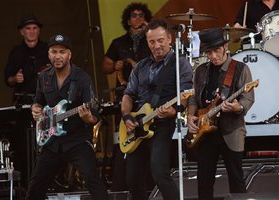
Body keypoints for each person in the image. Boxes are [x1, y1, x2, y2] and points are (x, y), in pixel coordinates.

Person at [26, 34, 109, 200]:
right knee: (35, 186)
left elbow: (95, 117)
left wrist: (87, 118)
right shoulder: (44, 77)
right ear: (48, 54)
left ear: (69, 54)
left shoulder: (82, 78)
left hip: (77, 140)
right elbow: (38, 101)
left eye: (62, 52)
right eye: (54, 52)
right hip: (51, 142)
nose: (57, 56)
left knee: (93, 180)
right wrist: (35, 109)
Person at [121, 19, 193, 200]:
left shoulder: (180, 63)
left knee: (159, 173)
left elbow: (186, 94)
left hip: (162, 123)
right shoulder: (140, 66)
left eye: (160, 40)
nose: (157, 45)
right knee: (132, 179)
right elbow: (128, 95)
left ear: (169, 38)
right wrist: (127, 116)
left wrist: (176, 110)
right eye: (152, 41)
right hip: (138, 125)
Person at [186, 27, 255, 200]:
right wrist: (190, 115)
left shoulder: (240, 69)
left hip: (231, 130)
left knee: (236, 180)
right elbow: (194, 98)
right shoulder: (201, 70)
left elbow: (248, 98)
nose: (213, 56)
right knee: (204, 181)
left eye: (216, 50)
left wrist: (237, 107)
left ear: (225, 46)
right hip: (205, 131)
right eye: (208, 52)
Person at [102, 2, 152, 191]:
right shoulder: (118, 43)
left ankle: (148, 181)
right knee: (125, 135)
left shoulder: (151, 39)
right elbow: (105, 66)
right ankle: (123, 181)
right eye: (134, 15)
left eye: (141, 15)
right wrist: (114, 66)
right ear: (127, 20)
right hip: (125, 94)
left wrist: (149, 30)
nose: (137, 18)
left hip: (148, 95)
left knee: (147, 134)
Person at [4, 15, 49, 106]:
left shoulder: (48, 50)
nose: (32, 31)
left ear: (39, 30)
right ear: (22, 32)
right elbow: (7, 79)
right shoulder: (16, 52)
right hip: (22, 102)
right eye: (28, 28)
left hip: (46, 101)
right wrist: (15, 78)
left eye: (35, 28)